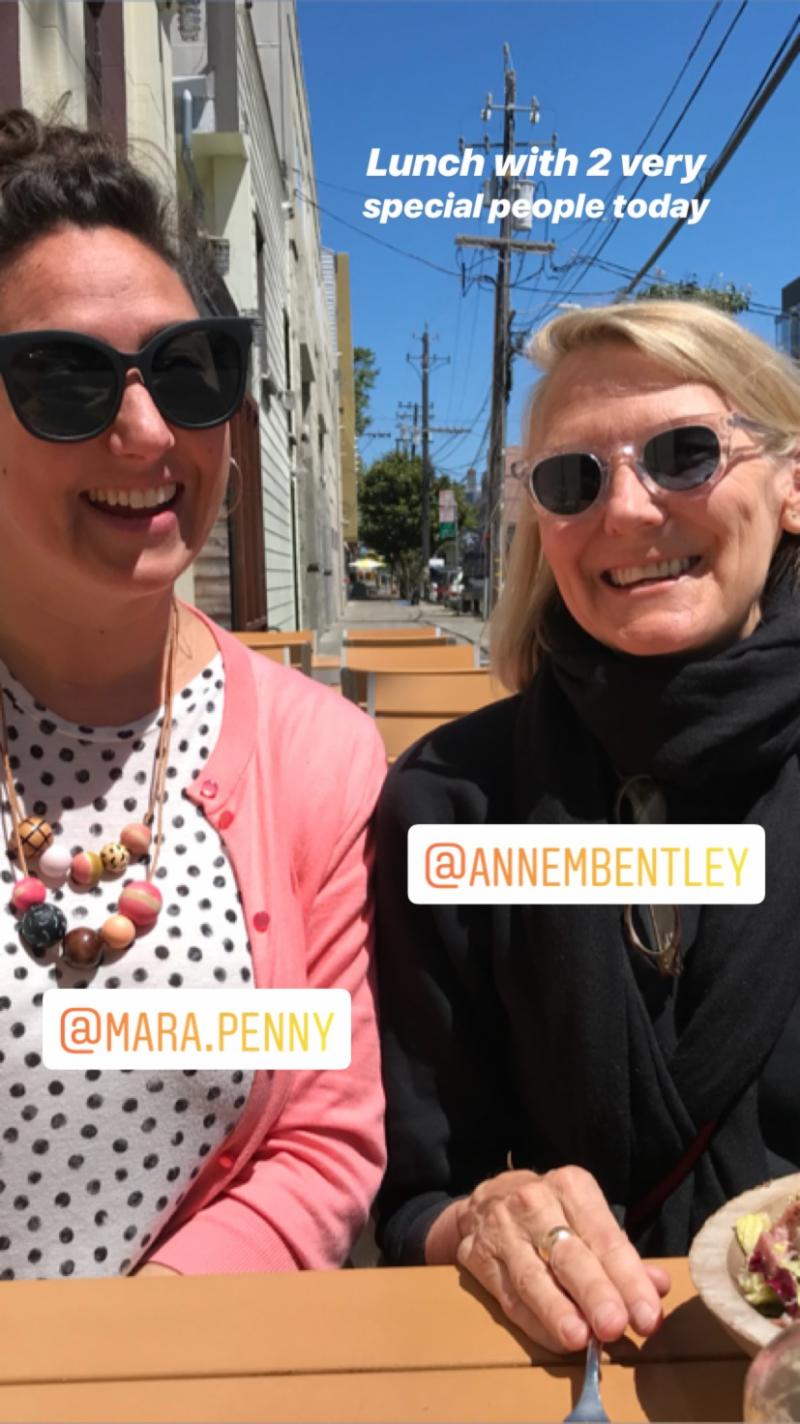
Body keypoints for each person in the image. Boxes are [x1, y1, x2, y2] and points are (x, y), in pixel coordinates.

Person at [0, 108, 386, 1281]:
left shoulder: (317, 756)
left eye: (188, 369)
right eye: (63, 379)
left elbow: (320, 1137)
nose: (147, 430)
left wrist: (130, 1351)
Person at [374, 299, 800, 1354]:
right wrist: (489, 1215)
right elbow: (416, 1192)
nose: (627, 510)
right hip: (570, 1369)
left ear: (790, 483)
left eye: (685, 452)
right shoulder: (450, 798)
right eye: (573, 478)